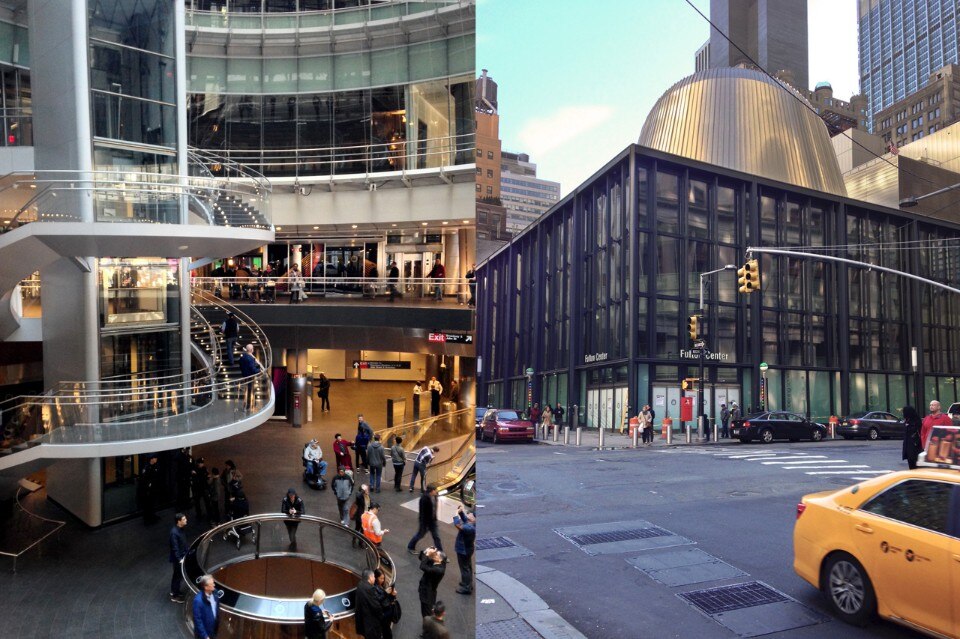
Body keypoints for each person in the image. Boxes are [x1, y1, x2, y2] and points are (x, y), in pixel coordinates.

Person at [407, 484, 443, 553]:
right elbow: (423, 512)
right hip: (425, 522)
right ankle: (410, 546)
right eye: (435, 490)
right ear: (432, 491)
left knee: (436, 536)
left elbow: (434, 508)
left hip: (433, 521)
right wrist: (424, 523)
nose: (437, 492)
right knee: (420, 535)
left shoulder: (435, 496)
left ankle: (440, 552)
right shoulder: (424, 499)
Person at [355, 569, 390, 639]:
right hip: (371, 625)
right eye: (374, 577)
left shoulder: (360, 585)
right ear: (370, 577)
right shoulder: (370, 589)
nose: (374, 578)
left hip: (362, 623)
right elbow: (376, 606)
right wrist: (381, 615)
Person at [417, 547, 446, 618]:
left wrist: (428, 554)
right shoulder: (437, 562)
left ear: (440, 559)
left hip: (427, 594)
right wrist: (427, 550)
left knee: (426, 613)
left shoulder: (439, 570)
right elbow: (421, 558)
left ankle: (428, 625)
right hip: (427, 590)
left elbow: (422, 566)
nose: (434, 554)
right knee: (426, 611)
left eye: (436, 554)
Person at [453, 508, 476, 595]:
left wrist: (455, 515)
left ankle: (466, 587)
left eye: (471, 514)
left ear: (474, 519)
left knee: (464, 568)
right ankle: (468, 583)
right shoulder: (472, 524)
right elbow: (465, 520)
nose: (469, 514)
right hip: (468, 549)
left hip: (463, 550)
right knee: (468, 566)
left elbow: (458, 525)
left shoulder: (469, 527)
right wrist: (461, 513)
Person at [168, 513, 189, 602]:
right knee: (178, 576)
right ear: (179, 521)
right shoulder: (174, 533)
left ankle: (174, 591)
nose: (186, 520)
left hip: (181, 556)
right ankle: (175, 595)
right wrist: (180, 559)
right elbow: (175, 547)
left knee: (177, 575)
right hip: (178, 559)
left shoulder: (180, 529)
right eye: (184, 519)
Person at [373, 569, 399, 639]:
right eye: (381, 578)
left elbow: (387, 597)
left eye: (383, 578)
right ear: (376, 578)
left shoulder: (382, 585)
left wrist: (392, 594)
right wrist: (386, 593)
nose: (383, 580)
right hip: (383, 614)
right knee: (386, 631)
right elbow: (378, 600)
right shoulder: (374, 588)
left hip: (387, 612)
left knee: (387, 630)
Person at [192, 574, 219, 639]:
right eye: (212, 584)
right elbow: (198, 620)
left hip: (213, 631)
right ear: (206, 587)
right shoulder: (198, 601)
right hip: (204, 635)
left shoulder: (215, 593)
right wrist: (205, 636)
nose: (214, 585)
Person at [238, 344, 264, 411]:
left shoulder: (242, 357)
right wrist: (260, 371)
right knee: (249, 390)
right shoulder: (251, 359)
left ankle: (252, 403)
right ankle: (247, 406)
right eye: (253, 349)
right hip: (250, 377)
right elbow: (253, 370)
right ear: (251, 350)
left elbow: (241, 366)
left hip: (245, 376)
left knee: (248, 390)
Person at [140, 454, 161, 524]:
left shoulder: (155, 466)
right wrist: (149, 484)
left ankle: (152, 516)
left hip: (154, 488)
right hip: (148, 490)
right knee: (147, 504)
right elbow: (144, 479)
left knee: (153, 503)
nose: (156, 459)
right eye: (155, 458)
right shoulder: (146, 467)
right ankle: (147, 519)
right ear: (151, 459)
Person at [902, 405, 923, 469]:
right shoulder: (907, 421)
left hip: (915, 446)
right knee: (911, 464)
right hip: (908, 446)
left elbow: (919, 433)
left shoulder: (916, 421)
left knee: (915, 465)